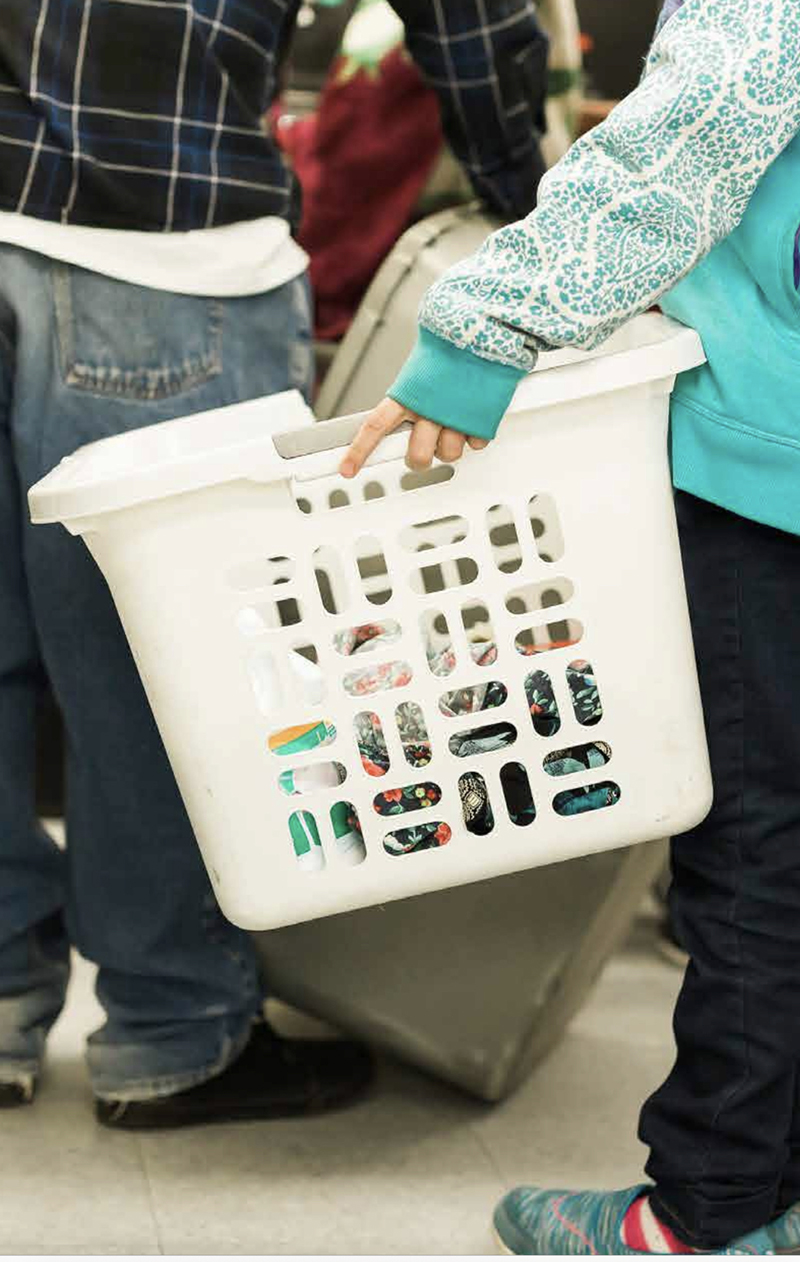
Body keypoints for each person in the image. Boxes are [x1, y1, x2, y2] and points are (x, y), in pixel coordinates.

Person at [0, 0, 550, 1129]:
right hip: (156, 236)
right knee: (158, 667)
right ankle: (175, 1022)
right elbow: (468, 19)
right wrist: (533, 207)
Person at [343, 0, 800, 1252]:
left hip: (775, 458)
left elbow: (695, 128)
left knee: (760, 847)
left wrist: (482, 334)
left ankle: (708, 1215)